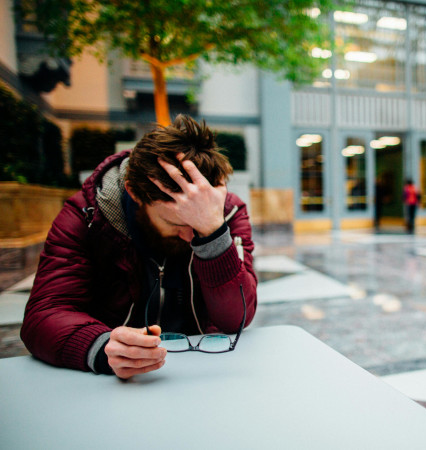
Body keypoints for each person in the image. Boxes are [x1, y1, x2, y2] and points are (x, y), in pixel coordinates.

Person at [21, 115, 258, 379]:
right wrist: (101, 346)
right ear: (134, 192)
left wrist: (214, 233)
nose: (191, 236)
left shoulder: (227, 213)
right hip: (116, 385)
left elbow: (235, 319)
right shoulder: (87, 215)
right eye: (175, 222)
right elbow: (44, 315)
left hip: (204, 372)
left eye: (199, 222)